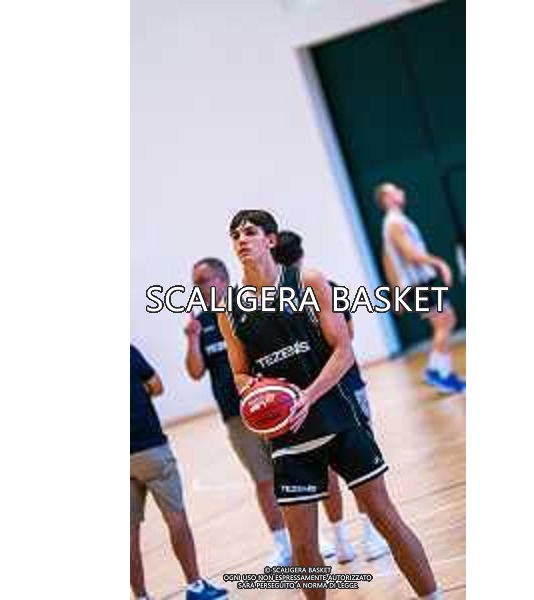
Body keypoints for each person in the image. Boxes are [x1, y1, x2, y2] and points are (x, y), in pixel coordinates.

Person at [218, 210, 444, 600]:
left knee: (385, 517)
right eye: (235, 235)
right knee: (304, 547)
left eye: (250, 232)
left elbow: (343, 350)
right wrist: (254, 388)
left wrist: (306, 396)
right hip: (288, 436)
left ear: (270, 240)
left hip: (338, 419)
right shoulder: (229, 309)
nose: (241, 240)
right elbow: (238, 373)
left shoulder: (308, 281)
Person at [183, 258, 335, 566]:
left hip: (274, 407)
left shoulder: (247, 307)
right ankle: (282, 545)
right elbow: (195, 372)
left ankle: (318, 536)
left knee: (300, 470)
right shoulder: (202, 322)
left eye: (202, 280)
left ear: (222, 279)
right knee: (264, 481)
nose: (197, 287)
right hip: (236, 416)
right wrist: (192, 338)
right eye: (195, 282)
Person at [272, 229, 389, 562]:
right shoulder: (327, 287)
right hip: (345, 387)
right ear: (301, 254)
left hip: (301, 396)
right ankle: (370, 536)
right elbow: (346, 336)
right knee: (364, 470)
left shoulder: (266, 302)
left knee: (326, 472)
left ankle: (340, 542)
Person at [130, 344, 227, 600]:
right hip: (150, 447)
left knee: (128, 531)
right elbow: (157, 386)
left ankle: (140, 596)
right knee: (175, 516)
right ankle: (196, 587)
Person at [376, 182, 466, 394]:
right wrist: (440, 263)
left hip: (420, 282)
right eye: (395, 190)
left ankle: (440, 370)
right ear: (387, 199)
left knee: (447, 320)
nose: (401, 191)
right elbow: (410, 255)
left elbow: (387, 258)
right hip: (417, 284)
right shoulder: (394, 223)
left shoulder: (396, 221)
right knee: (443, 323)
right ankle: (438, 372)